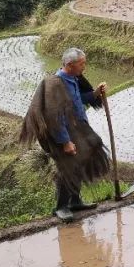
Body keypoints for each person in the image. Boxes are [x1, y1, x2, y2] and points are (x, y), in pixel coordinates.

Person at [21, 48, 111, 221]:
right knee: (68, 167)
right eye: (82, 63)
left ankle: (75, 201)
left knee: (85, 157)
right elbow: (55, 117)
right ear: (69, 65)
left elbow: (79, 99)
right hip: (61, 134)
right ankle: (61, 207)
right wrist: (65, 142)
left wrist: (96, 93)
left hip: (77, 128)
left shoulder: (72, 79)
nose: (84, 67)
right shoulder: (55, 85)